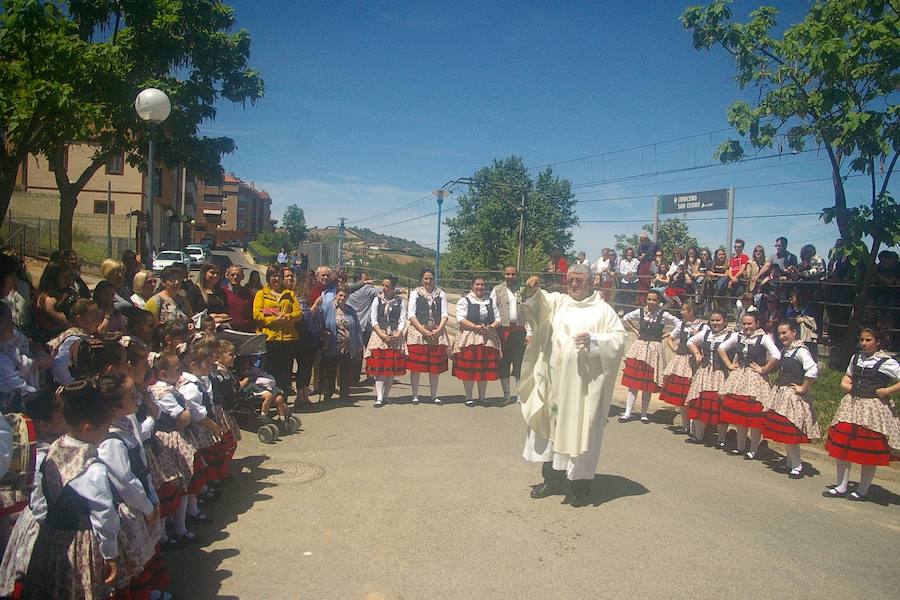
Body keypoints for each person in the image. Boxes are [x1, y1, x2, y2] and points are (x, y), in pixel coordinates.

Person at [0, 378, 121, 599]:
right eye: (106, 427)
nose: (108, 432)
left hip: (50, 538)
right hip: (79, 542)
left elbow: (38, 501)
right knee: (79, 588)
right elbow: (104, 517)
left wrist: (48, 526)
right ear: (88, 428)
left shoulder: (51, 452)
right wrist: (110, 553)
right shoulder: (93, 470)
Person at [519, 263, 627, 507]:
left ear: (591, 282)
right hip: (555, 384)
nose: (574, 284)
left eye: (579, 280)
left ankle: (579, 486)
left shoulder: (603, 311)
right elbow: (539, 305)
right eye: (571, 280)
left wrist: (595, 342)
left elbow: (620, 340)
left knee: (582, 431)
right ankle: (552, 481)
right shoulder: (560, 302)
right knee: (552, 431)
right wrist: (534, 290)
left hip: (584, 389)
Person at [823, 326, 900, 501]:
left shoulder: (887, 362)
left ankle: (863, 489)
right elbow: (847, 378)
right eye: (862, 340)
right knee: (842, 444)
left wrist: (886, 391)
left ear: (878, 342)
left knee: (868, 449)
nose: (864, 343)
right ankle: (841, 485)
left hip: (872, 410)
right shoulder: (856, 358)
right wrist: (848, 386)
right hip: (852, 406)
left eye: (868, 340)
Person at [760, 319, 820, 479]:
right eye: (779, 333)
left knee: (790, 432)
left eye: (785, 333)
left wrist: (804, 387)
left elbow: (813, 370)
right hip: (782, 396)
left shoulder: (801, 351)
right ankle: (790, 462)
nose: (782, 336)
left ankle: (797, 465)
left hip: (793, 398)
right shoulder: (786, 350)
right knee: (785, 432)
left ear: (794, 332)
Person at [717, 312, 780, 459]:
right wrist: (729, 365)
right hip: (739, 378)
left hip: (755, 380)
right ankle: (740, 446)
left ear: (757, 324)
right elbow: (721, 348)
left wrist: (764, 369)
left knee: (754, 416)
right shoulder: (737, 336)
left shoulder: (763, 337)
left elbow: (776, 355)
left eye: (749, 323)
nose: (746, 327)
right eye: (744, 323)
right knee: (740, 415)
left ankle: (753, 449)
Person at [619, 290, 680, 423]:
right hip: (639, 349)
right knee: (633, 383)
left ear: (659, 302)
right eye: (649, 299)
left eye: (654, 300)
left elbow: (679, 324)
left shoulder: (664, 314)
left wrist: (666, 335)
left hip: (654, 350)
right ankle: (628, 412)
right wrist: (635, 330)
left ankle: (644, 413)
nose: (652, 302)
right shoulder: (640, 312)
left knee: (647, 384)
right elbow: (626, 318)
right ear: (646, 300)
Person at [685, 309, 735, 448]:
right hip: (705, 372)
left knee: (719, 407)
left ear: (725, 321)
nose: (715, 323)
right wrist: (697, 354)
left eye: (718, 320)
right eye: (712, 320)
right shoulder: (706, 333)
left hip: (721, 374)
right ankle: (698, 435)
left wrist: (733, 364)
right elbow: (690, 341)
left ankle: (721, 438)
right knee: (700, 403)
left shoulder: (733, 335)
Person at [451, 276, 501, 407]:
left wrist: (491, 326)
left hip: (487, 338)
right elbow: (460, 318)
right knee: (470, 367)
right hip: (470, 337)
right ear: (472, 286)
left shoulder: (490, 301)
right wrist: (474, 326)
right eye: (477, 284)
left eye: (482, 285)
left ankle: (482, 396)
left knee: (484, 367)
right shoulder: (465, 300)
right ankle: (468, 396)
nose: (480, 287)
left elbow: (498, 318)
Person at [253, 265, 302, 395]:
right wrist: (273, 320)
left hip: (287, 339)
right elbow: (256, 314)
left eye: (279, 276)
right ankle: (272, 400)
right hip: (270, 338)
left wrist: (287, 317)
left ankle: (283, 400)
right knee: (271, 371)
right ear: (268, 278)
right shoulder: (261, 294)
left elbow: (298, 313)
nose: (276, 279)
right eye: (273, 276)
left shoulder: (289, 294)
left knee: (285, 371)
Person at [660, 301, 707, 433]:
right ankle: (686, 426)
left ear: (690, 311)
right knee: (682, 395)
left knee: (692, 395)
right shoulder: (681, 324)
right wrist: (674, 347)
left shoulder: (704, 326)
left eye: (683, 310)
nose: (681, 312)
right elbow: (670, 337)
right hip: (681, 362)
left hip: (694, 362)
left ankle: (694, 427)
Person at [407, 268, 450, 405]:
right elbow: (411, 315)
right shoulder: (415, 293)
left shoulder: (441, 294)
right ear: (422, 279)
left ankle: (434, 395)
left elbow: (444, 314)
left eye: (431, 278)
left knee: (434, 366)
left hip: (437, 331)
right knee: (416, 366)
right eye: (426, 278)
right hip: (419, 332)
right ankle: (415, 395)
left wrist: (438, 329)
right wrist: (422, 330)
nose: (428, 281)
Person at [365, 276, 408, 408]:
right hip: (380, 335)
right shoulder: (377, 299)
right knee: (379, 368)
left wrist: (398, 332)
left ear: (394, 288)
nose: (384, 288)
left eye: (387, 286)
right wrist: (381, 334)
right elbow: (373, 318)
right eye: (383, 285)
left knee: (390, 369)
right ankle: (379, 397)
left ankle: (386, 396)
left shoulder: (400, 302)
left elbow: (402, 319)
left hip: (394, 335)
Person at [490, 265, 528, 405]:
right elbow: (492, 309)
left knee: (520, 364)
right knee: (504, 363)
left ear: (517, 275)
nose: (511, 277)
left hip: (519, 331)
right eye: (508, 274)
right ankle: (506, 395)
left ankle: (520, 395)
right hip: (503, 331)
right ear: (504, 275)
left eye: (513, 274)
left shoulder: (523, 290)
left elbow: (529, 310)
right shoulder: (497, 289)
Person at [322, 286, 364, 403]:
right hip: (332, 345)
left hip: (348, 346)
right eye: (340, 295)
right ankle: (328, 393)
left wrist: (359, 344)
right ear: (336, 295)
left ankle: (344, 394)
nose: (342, 298)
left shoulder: (350, 310)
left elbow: (357, 329)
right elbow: (321, 323)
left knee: (346, 371)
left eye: (345, 296)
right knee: (330, 372)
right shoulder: (327, 308)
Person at [33, 261, 77, 343]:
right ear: (54, 278)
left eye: (69, 276)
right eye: (64, 277)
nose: (67, 280)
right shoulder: (48, 299)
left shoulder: (64, 294)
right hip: (49, 341)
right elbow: (66, 322)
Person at [221, 266, 256, 333]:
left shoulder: (248, 293)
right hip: (228, 331)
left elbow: (252, 312)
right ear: (227, 275)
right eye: (232, 275)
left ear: (243, 277)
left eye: (238, 275)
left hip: (245, 331)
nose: (235, 277)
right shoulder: (222, 292)